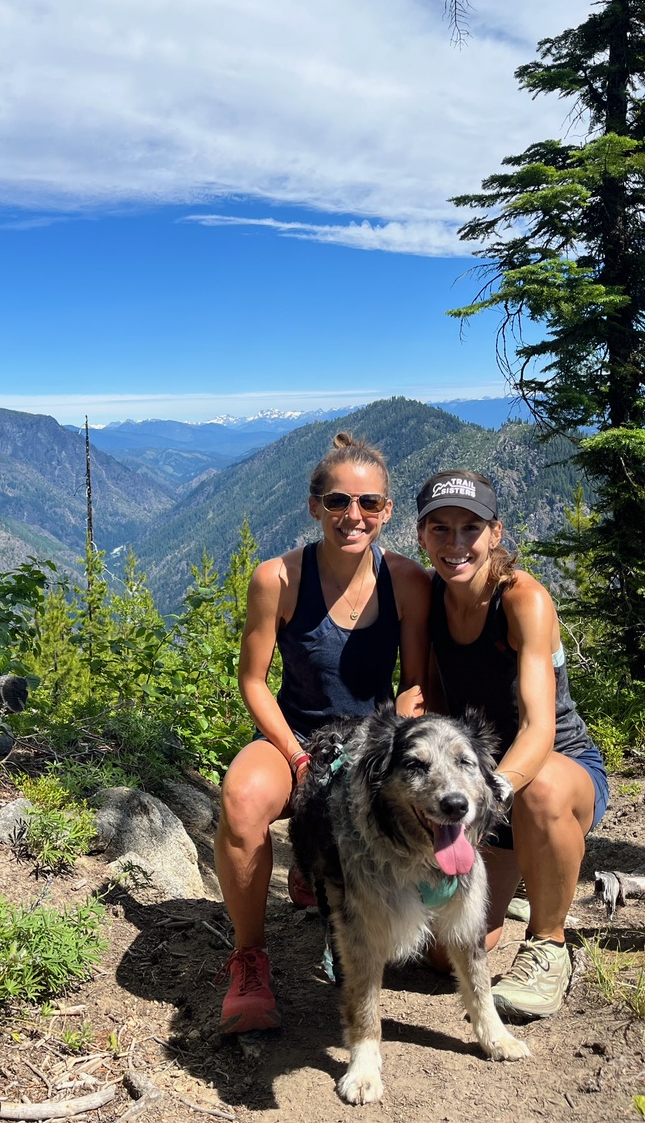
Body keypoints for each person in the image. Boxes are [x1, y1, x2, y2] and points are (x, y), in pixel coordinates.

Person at [213, 433, 431, 1034]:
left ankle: (329, 889)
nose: (352, 515)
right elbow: (253, 681)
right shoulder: (278, 579)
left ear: (387, 510)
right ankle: (250, 959)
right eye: (338, 501)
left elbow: (414, 681)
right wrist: (297, 756)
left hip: (372, 744)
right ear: (315, 507)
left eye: (369, 503)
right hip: (297, 737)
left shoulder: (406, 582)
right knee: (242, 799)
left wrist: (394, 734)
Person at [416, 470, 609, 1020]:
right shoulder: (430, 597)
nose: (455, 543)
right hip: (482, 783)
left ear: (495, 533)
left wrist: (490, 793)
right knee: (442, 956)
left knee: (540, 788)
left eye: (470, 528)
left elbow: (539, 728)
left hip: (556, 771)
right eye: (440, 528)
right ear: (422, 536)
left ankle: (550, 945)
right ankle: (528, 875)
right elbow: (429, 698)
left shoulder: (523, 600)